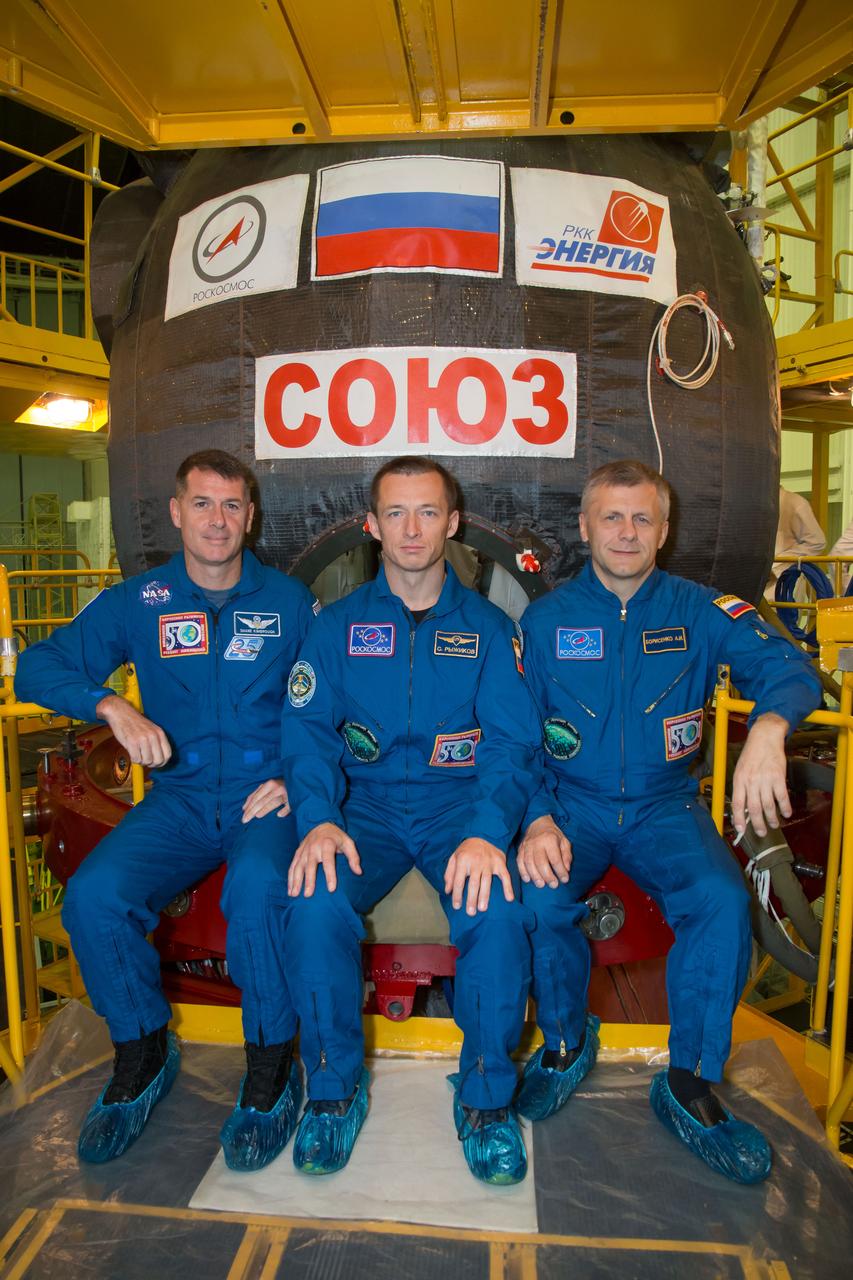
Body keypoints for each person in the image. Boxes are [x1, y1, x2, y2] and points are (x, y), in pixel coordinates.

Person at [516, 459, 821, 1184]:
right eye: (611, 518)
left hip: (663, 805)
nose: (626, 532)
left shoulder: (700, 610)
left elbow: (788, 667)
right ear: (585, 527)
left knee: (718, 902)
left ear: (664, 529)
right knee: (536, 902)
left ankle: (687, 1082)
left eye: (641, 518)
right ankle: (563, 1041)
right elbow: (514, 736)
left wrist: (773, 728)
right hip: (571, 805)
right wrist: (533, 820)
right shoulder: (546, 620)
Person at [15, 450, 316, 1169]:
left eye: (233, 506)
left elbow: (331, 699)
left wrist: (302, 783)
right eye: (203, 504)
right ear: (177, 512)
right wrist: (109, 703)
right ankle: (144, 1053)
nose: (218, 520)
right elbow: (35, 665)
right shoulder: (138, 601)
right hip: (180, 800)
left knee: (257, 893)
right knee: (94, 897)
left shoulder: (290, 603)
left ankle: (273, 1070)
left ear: (252, 517)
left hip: (262, 801)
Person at [280, 456, 541, 1184]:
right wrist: (318, 818)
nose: (411, 528)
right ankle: (332, 1092)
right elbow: (305, 732)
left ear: (453, 523)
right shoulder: (335, 629)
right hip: (361, 809)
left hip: (456, 809)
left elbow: (513, 743)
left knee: (494, 909)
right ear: (371, 526)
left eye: (427, 512)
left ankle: (485, 1102)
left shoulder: (489, 629)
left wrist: (489, 832)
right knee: (311, 901)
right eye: (395, 513)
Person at [764, 485, 825, 600]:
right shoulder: (757, 504)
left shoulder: (795, 503)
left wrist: (775, 566)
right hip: (760, 580)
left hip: (784, 580)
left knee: (780, 615)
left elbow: (816, 542)